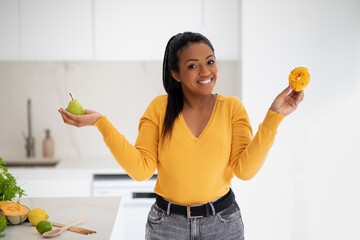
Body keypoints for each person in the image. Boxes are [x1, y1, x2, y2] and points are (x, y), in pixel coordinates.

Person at [58, 32, 304, 240]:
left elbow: (245, 170)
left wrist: (275, 116)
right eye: (192, 65)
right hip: (167, 227)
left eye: (210, 61)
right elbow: (141, 169)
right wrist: (102, 124)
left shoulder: (232, 108)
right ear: (175, 73)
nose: (205, 72)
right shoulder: (159, 108)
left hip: (223, 225)